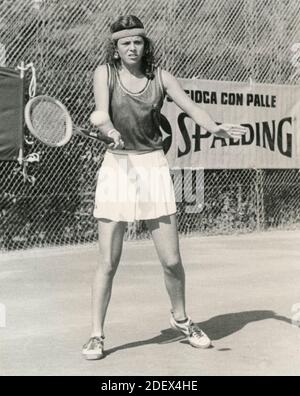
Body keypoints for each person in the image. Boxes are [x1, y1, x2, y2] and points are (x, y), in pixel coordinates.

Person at [82, 15, 246, 360]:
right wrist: (109, 130)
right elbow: (101, 113)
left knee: (172, 260)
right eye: (124, 42)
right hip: (117, 168)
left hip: (153, 166)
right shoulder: (104, 74)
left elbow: (191, 107)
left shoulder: (162, 77)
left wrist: (213, 128)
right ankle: (96, 335)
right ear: (115, 47)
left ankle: (182, 319)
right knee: (108, 260)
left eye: (137, 41)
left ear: (145, 45)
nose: (131, 47)